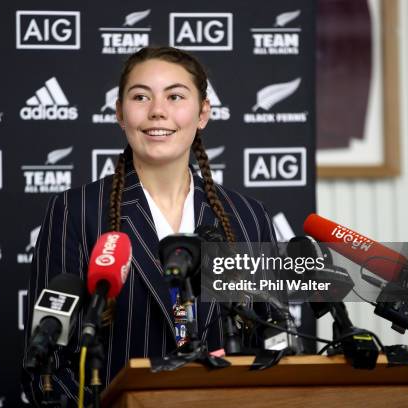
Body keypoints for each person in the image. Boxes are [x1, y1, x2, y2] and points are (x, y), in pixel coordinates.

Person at [23, 46, 277, 406]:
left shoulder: (248, 217)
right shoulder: (75, 211)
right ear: (120, 114)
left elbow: (272, 348)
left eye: (175, 96)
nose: (158, 110)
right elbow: (44, 366)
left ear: (203, 112)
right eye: (141, 96)